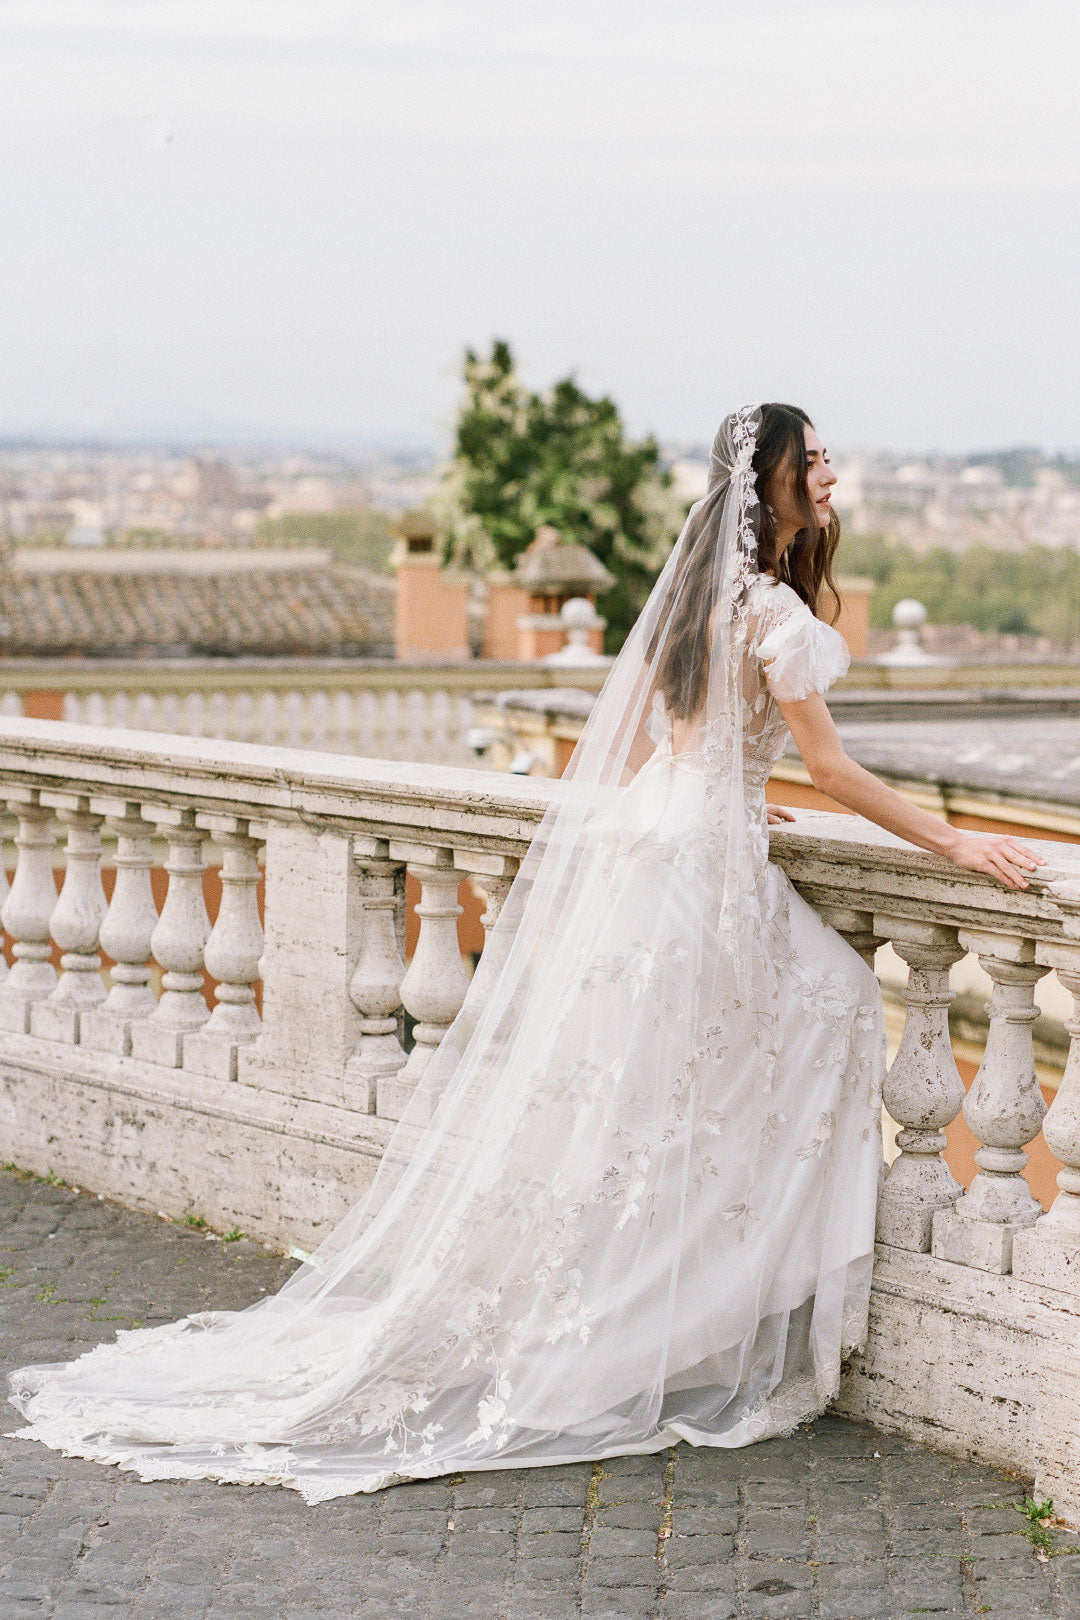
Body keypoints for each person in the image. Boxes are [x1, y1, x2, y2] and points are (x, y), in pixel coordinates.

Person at [6, 403, 1043, 1504]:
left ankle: (676, 1302)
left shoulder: (702, 596)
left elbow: (661, 732)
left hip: (664, 832)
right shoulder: (776, 611)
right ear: (772, 485)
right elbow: (830, 771)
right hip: (699, 863)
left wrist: (729, 793)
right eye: (814, 460)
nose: (830, 473)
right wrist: (954, 838)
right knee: (823, 1012)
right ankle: (702, 1307)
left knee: (640, 1098)